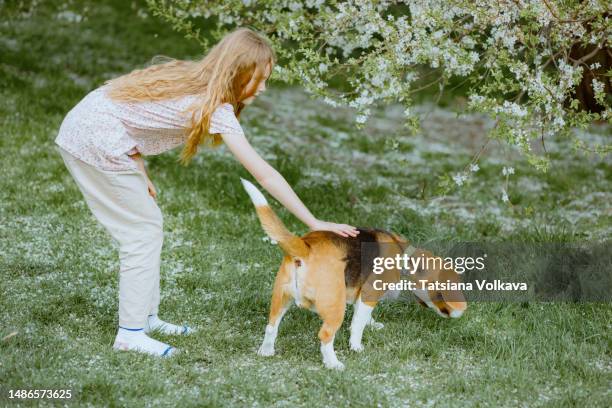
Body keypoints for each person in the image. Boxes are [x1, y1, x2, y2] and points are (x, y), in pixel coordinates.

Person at [55, 27, 359, 357]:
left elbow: (128, 114)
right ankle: (130, 333)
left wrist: (138, 168)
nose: (264, 87)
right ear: (238, 74)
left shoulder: (194, 78)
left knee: (148, 228)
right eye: (259, 78)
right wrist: (314, 221)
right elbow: (265, 175)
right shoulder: (215, 108)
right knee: (141, 234)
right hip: (94, 141)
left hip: (90, 127)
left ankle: (146, 318)